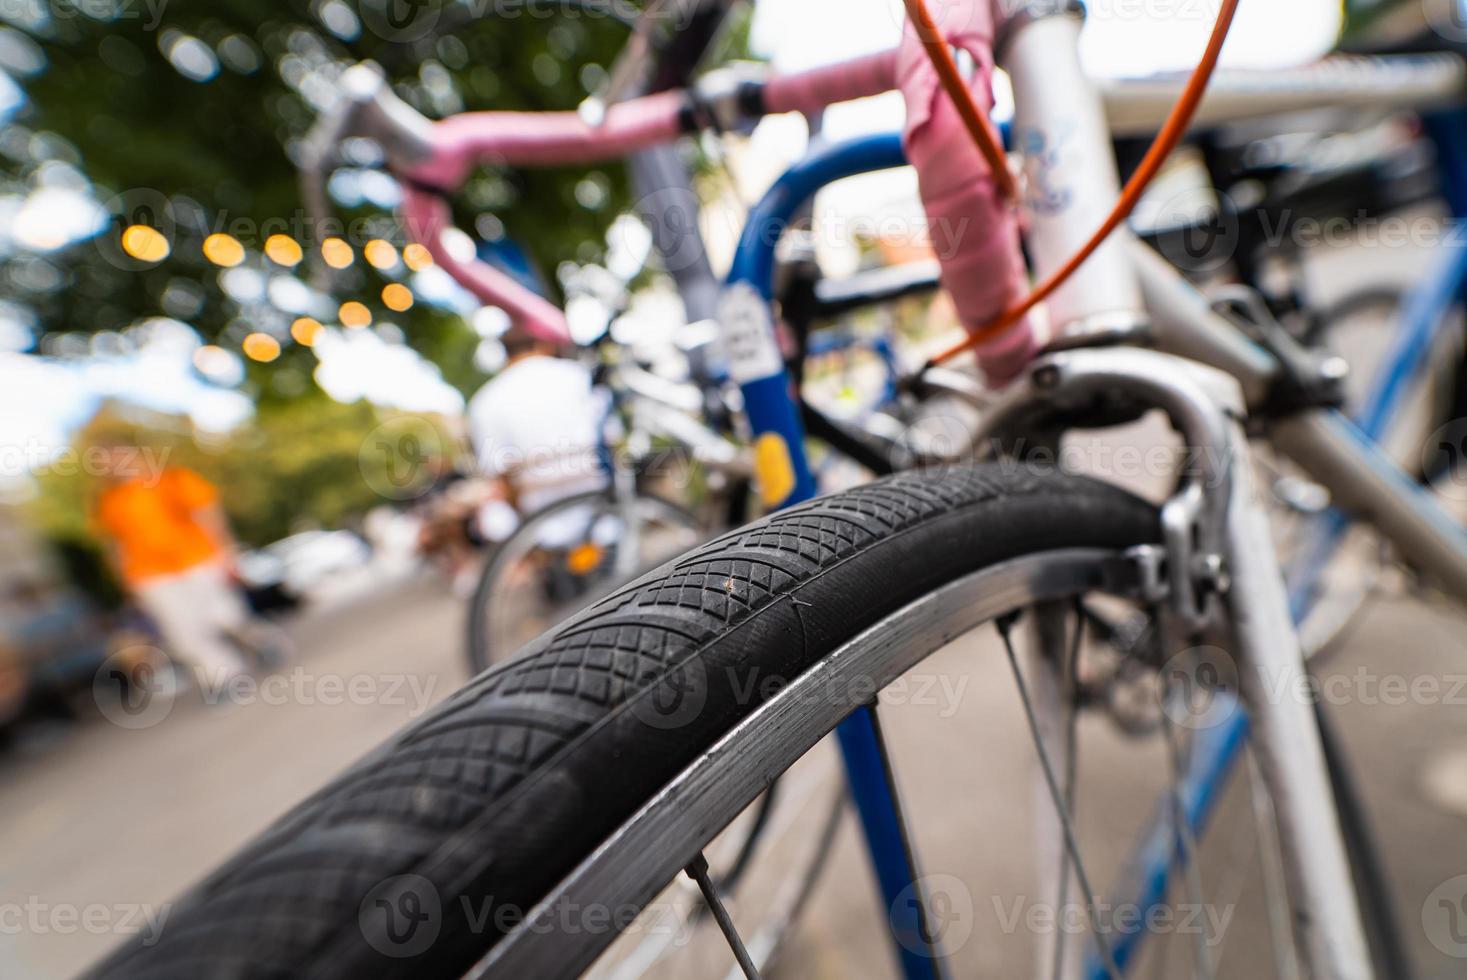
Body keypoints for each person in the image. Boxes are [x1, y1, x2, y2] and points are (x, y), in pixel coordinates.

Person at [92, 438, 276, 686]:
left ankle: (260, 641)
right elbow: (116, 546)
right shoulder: (110, 502)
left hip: (197, 558)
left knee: (223, 615)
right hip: (149, 574)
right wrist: (127, 583)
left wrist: (226, 551)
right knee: (184, 631)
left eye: (119, 456)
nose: (116, 464)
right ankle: (225, 677)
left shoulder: (173, 479)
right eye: (108, 462)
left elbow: (208, 513)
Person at [465, 331, 610, 541]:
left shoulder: (484, 402)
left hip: (540, 529)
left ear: (505, 354)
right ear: (541, 344)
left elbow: (500, 479)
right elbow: (612, 436)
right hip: (605, 509)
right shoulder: (578, 374)